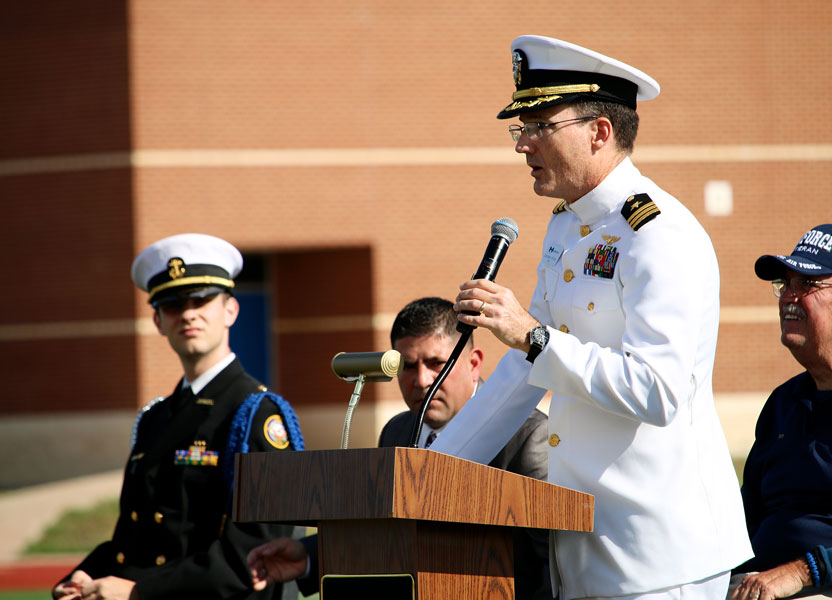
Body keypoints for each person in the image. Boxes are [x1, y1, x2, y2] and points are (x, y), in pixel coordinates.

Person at [427, 35, 753, 600]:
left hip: (661, 555)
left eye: (538, 127)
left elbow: (657, 391)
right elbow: (521, 375)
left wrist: (532, 334)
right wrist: (430, 472)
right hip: (583, 548)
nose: (523, 145)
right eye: (520, 128)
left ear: (599, 131)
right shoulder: (567, 227)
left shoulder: (659, 235)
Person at [247, 297, 552, 599]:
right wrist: (309, 556)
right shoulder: (397, 431)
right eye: (407, 366)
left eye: (436, 364)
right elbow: (389, 536)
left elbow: (550, 561)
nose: (422, 380)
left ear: (474, 364)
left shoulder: (526, 436)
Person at [53, 233, 303, 600]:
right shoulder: (155, 418)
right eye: (173, 305)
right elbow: (137, 536)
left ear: (230, 310)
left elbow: (252, 555)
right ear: (157, 320)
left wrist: (139, 589)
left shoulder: (256, 414)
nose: (188, 313)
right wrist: (87, 574)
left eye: (202, 299)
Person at [730, 224, 832, 600]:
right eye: (785, 284)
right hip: (764, 584)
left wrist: (806, 571)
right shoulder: (783, 403)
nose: (788, 297)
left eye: (807, 284)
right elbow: (742, 523)